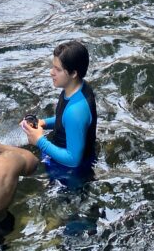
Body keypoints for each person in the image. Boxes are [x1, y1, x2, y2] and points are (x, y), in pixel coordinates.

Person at [20, 40, 97, 174]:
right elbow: (64, 119)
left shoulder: (76, 111)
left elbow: (73, 160)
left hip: (70, 176)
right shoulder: (76, 88)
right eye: (52, 66)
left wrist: (39, 141)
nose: (51, 72)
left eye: (58, 69)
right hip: (61, 157)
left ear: (73, 73)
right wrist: (42, 123)